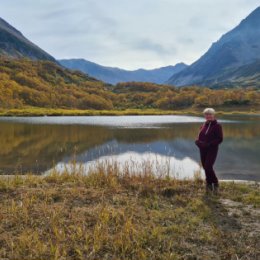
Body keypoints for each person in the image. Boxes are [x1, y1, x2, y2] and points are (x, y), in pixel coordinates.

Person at [195, 108, 223, 194]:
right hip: (202, 149)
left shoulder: (217, 126)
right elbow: (199, 136)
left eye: (210, 114)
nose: (208, 116)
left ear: (213, 115)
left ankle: (215, 182)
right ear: (205, 116)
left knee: (208, 166)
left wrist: (209, 145)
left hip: (212, 149)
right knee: (204, 166)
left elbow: (220, 139)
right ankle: (209, 183)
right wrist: (197, 142)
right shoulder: (203, 125)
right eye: (207, 114)